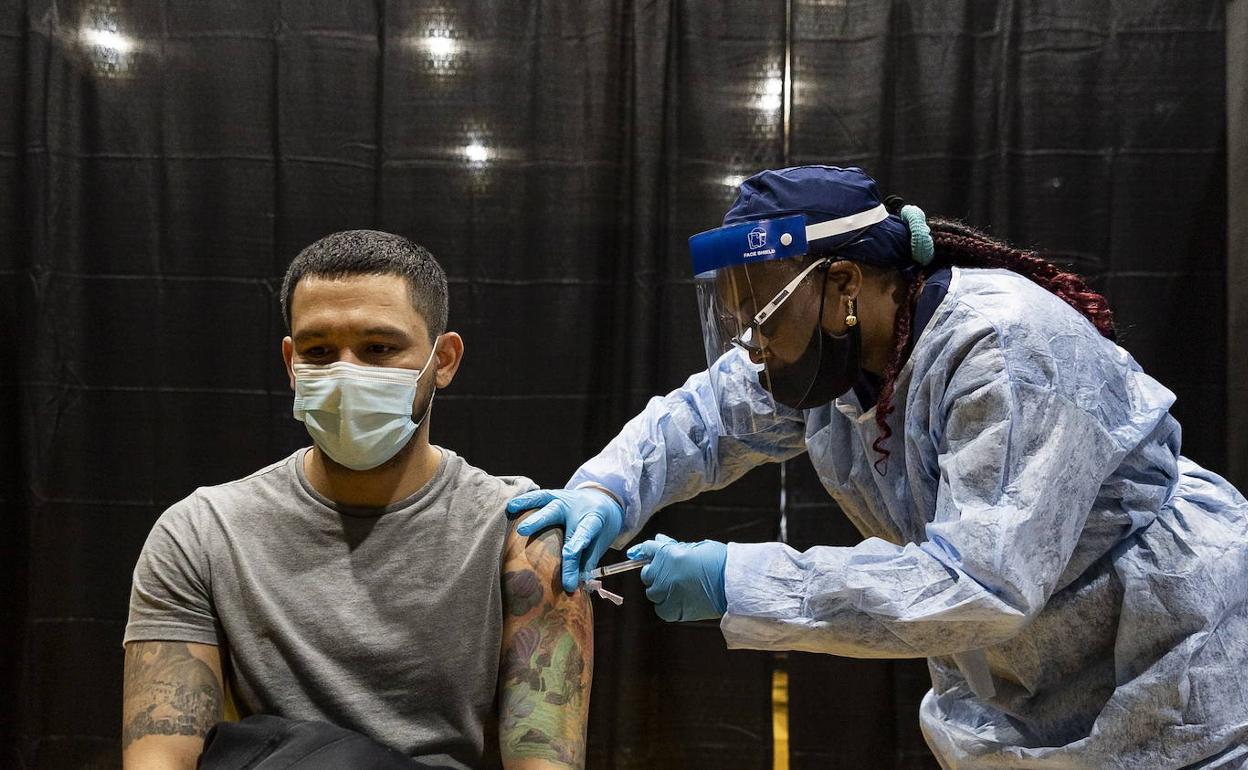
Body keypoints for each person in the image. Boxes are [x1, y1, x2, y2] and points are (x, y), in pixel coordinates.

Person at [507, 166, 1248, 767]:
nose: (751, 344)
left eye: (761, 316)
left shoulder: (1003, 350)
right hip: (1025, 686)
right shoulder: (833, 359)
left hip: (1170, 663)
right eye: (734, 318)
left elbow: (978, 584)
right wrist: (604, 490)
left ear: (844, 284)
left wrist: (736, 581)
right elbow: (702, 420)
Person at [123, 230, 592, 770]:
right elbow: (160, 754)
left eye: (379, 348)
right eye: (318, 351)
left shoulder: (521, 532)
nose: (346, 373)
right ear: (290, 363)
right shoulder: (201, 533)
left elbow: (545, 760)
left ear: (444, 359)